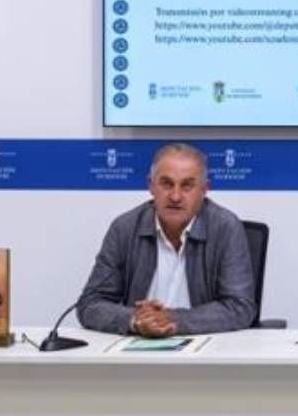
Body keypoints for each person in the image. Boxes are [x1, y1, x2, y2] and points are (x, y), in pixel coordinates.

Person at [76, 143, 255, 336]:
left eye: (187, 185)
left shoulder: (225, 228)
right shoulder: (125, 228)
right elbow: (90, 304)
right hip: (138, 345)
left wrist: (172, 319)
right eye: (167, 184)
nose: (175, 196)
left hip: (205, 345)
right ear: (151, 185)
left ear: (204, 190)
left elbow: (240, 308)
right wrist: (135, 320)